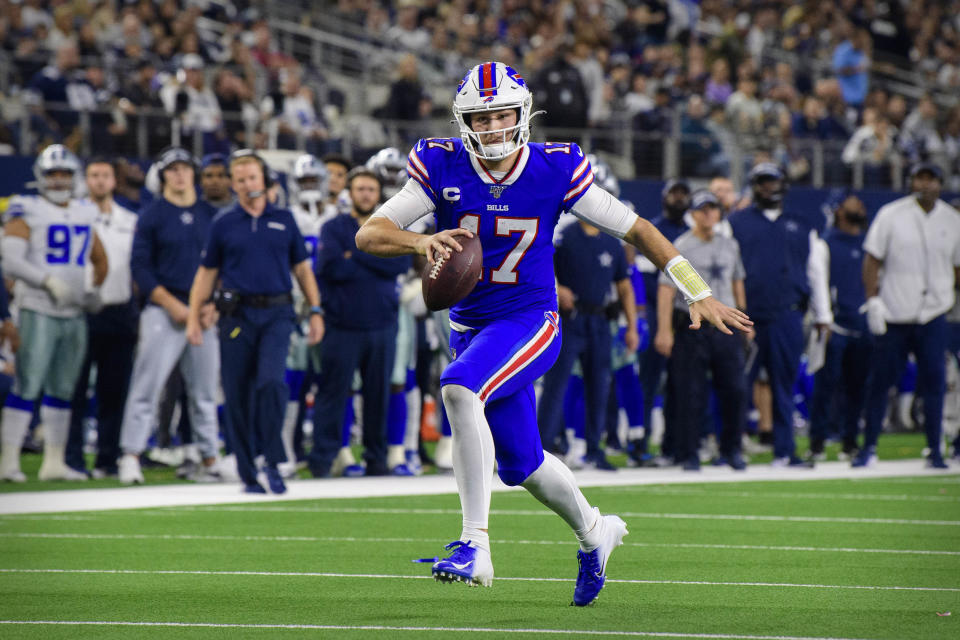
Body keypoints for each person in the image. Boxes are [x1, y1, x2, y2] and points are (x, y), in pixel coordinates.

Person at [354, 61, 750, 605]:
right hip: (470, 326)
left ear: (522, 115)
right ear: (463, 121)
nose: (491, 128)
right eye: (480, 117)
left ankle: (474, 545)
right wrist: (418, 242)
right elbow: (370, 233)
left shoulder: (555, 168)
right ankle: (595, 531)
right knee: (523, 465)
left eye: (501, 115)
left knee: (458, 386)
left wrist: (697, 290)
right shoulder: (441, 163)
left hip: (529, 320)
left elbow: (638, 230)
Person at [186, 149, 324, 494]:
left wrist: (317, 310)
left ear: (264, 180)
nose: (248, 184)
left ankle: (273, 460)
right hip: (236, 316)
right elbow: (207, 273)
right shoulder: (224, 224)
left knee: (271, 383)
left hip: (278, 312)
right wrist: (193, 315)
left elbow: (303, 269)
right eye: (242, 179)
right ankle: (249, 472)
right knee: (237, 393)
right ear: (234, 184)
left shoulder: (285, 219)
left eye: (253, 178)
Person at [0, 145, 108, 482]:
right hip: (37, 307)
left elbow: (98, 258)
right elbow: (10, 258)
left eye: (64, 174)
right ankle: (8, 461)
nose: (59, 180)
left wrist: (93, 291)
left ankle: (54, 462)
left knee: (63, 388)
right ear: (41, 176)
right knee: (27, 384)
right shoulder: (26, 208)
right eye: (52, 174)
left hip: (73, 311)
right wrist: (47, 282)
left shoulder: (84, 211)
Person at [117, 147, 221, 485]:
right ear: (162, 176)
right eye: (172, 169)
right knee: (147, 385)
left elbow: (224, 265)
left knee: (205, 390)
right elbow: (141, 269)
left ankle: (208, 457)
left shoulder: (210, 214)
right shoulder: (152, 215)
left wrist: (212, 304)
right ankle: (130, 455)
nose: (180, 174)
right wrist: (171, 304)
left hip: (203, 313)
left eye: (185, 168)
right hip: (164, 310)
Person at [309, 168, 411, 478]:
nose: (365, 194)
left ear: (379, 194)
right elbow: (330, 268)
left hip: (382, 324)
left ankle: (376, 460)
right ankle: (322, 461)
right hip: (341, 325)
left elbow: (401, 264)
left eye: (370, 189)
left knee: (378, 395)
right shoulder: (332, 226)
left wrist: (353, 255)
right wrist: (376, 258)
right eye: (360, 189)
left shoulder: (391, 227)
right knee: (332, 394)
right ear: (349, 193)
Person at [856, 163, 960, 468]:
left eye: (931, 179)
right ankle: (869, 447)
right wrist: (872, 299)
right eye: (919, 178)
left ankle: (934, 449)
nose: (925, 184)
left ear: (940, 184)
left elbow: (956, 267)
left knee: (935, 383)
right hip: (896, 313)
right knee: (881, 381)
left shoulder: (952, 220)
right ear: (911, 181)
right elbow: (872, 260)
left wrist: (948, 292)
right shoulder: (891, 214)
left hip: (934, 314)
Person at [729, 163, 831, 467]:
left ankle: (785, 450)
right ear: (753, 185)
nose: (768, 187)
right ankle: (731, 449)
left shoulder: (801, 224)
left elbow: (815, 272)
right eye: (762, 182)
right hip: (746, 317)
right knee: (738, 385)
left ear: (784, 185)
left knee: (784, 383)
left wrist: (823, 313)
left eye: (773, 181)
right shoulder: (735, 222)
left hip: (788, 314)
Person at [654, 191, 748, 471]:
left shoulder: (730, 244)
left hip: (726, 326)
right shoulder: (681, 246)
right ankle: (690, 452)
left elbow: (737, 282)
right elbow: (665, 290)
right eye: (703, 210)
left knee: (735, 390)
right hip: (692, 326)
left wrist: (745, 318)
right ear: (693, 214)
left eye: (713, 209)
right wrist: (664, 330)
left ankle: (731, 449)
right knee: (689, 393)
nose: (709, 214)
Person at [537, 216, 638, 471]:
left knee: (599, 387)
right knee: (556, 385)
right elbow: (540, 265)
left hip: (600, 320)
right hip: (570, 320)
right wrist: (557, 287)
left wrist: (632, 327)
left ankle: (594, 449)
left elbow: (624, 287)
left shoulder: (612, 241)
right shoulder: (564, 235)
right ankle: (542, 450)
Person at [66, 158, 139, 479]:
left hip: (120, 310)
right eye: (94, 175)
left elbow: (136, 268)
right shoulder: (72, 217)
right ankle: (72, 459)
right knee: (75, 388)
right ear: (86, 179)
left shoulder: (130, 220)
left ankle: (107, 459)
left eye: (104, 175)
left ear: (114, 181)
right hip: (81, 311)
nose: (99, 181)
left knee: (115, 391)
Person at [808, 193, 871, 461]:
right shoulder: (825, 242)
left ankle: (850, 441)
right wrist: (824, 317)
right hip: (835, 325)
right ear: (839, 211)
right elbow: (818, 282)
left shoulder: (870, 243)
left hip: (863, 322)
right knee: (826, 387)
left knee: (858, 387)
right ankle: (818, 442)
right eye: (853, 204)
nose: (860, 207)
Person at [632, 179, 691, 464]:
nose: (679, 199)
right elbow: (643, 281)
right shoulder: (651, 230)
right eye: (674, 194)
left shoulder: (691, 233)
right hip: (657, 314)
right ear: (664, 196)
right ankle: (639, 444)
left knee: (681, 383)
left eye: (683, 194)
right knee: (649, 381)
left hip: (685, 317)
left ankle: (674, 445)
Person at [280, 153, 331, 477]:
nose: (309, 187)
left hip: (334, 310)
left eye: (314, 180)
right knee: (292, 381)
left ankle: (334, 450)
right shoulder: (288, 218)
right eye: (304, 182)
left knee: (334, 383)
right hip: (299, 308)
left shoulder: (337, 216)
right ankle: (286, 448)